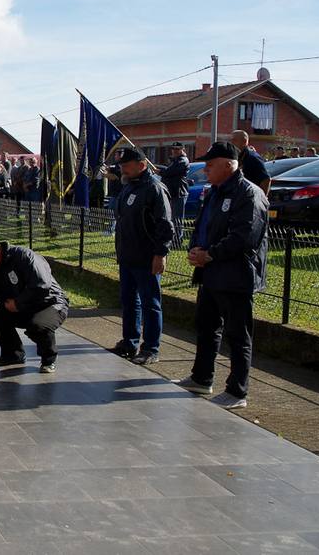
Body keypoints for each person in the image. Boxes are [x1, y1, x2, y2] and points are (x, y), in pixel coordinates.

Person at [174, 142, 269, 409]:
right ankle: (202, 377)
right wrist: (195, 249)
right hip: (210, 273)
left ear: (229, 165)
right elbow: (201, 226)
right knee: (206, 327)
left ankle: (238, 391)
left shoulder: (248, 194)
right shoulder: (214, 192)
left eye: (210, 165)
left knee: (237, 335)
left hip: (235, 275)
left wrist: (210, 254)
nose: (205, 170)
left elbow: (244, 237)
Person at [0, 236, 68, 373]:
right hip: (22, 306)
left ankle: (48, 359)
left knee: (37, 325)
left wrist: (19, 303)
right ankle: (13, 355)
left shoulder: (24, 257)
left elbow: (42, 286)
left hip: (50, 304)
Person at [110, 147, 174, 365]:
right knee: (129, 301)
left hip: (146, 257)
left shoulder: (154, 188)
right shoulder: (129, 186)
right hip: (127, 256)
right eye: (121, 166)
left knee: (150, 303)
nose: (122, 170)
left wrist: (160, 253)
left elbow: (165, 225)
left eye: (126, 166)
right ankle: (129, 342)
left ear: (142, 165)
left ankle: (150, 348)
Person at [158, 142, 191, 247]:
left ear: (182, 150)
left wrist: (160, 171)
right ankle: (173, 239)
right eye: (173, 149)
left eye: (177, 149)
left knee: (177, 218)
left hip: (179, 192)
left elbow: (170, 172)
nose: (174, 151)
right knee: (171, 217)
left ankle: (177, 241)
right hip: (172, 192)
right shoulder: (174, 161)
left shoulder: (183, 160)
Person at [230, 130, 270, 195]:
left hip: (250, 197)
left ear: (244, 141)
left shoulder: (252, 157)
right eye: (231, 140)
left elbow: (266, 179)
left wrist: (262, 197)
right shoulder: (237, 156)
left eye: (234, 140)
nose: (231, 143)